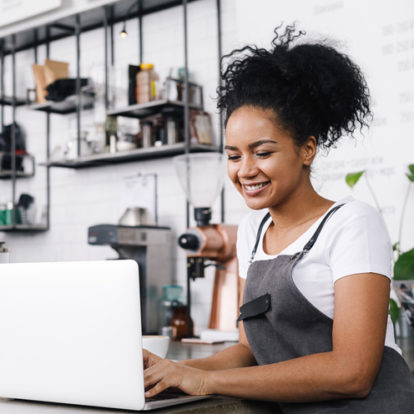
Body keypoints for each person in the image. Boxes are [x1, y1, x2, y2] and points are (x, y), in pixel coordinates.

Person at [143, 25, 414, 412]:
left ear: (307, 150)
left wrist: (206, 379)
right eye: (234, 156)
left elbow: (352, 372)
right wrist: (173, 370)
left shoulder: (352, 223)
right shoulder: (253, 230)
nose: (245, 170)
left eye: (262, 152)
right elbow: (246, 351)